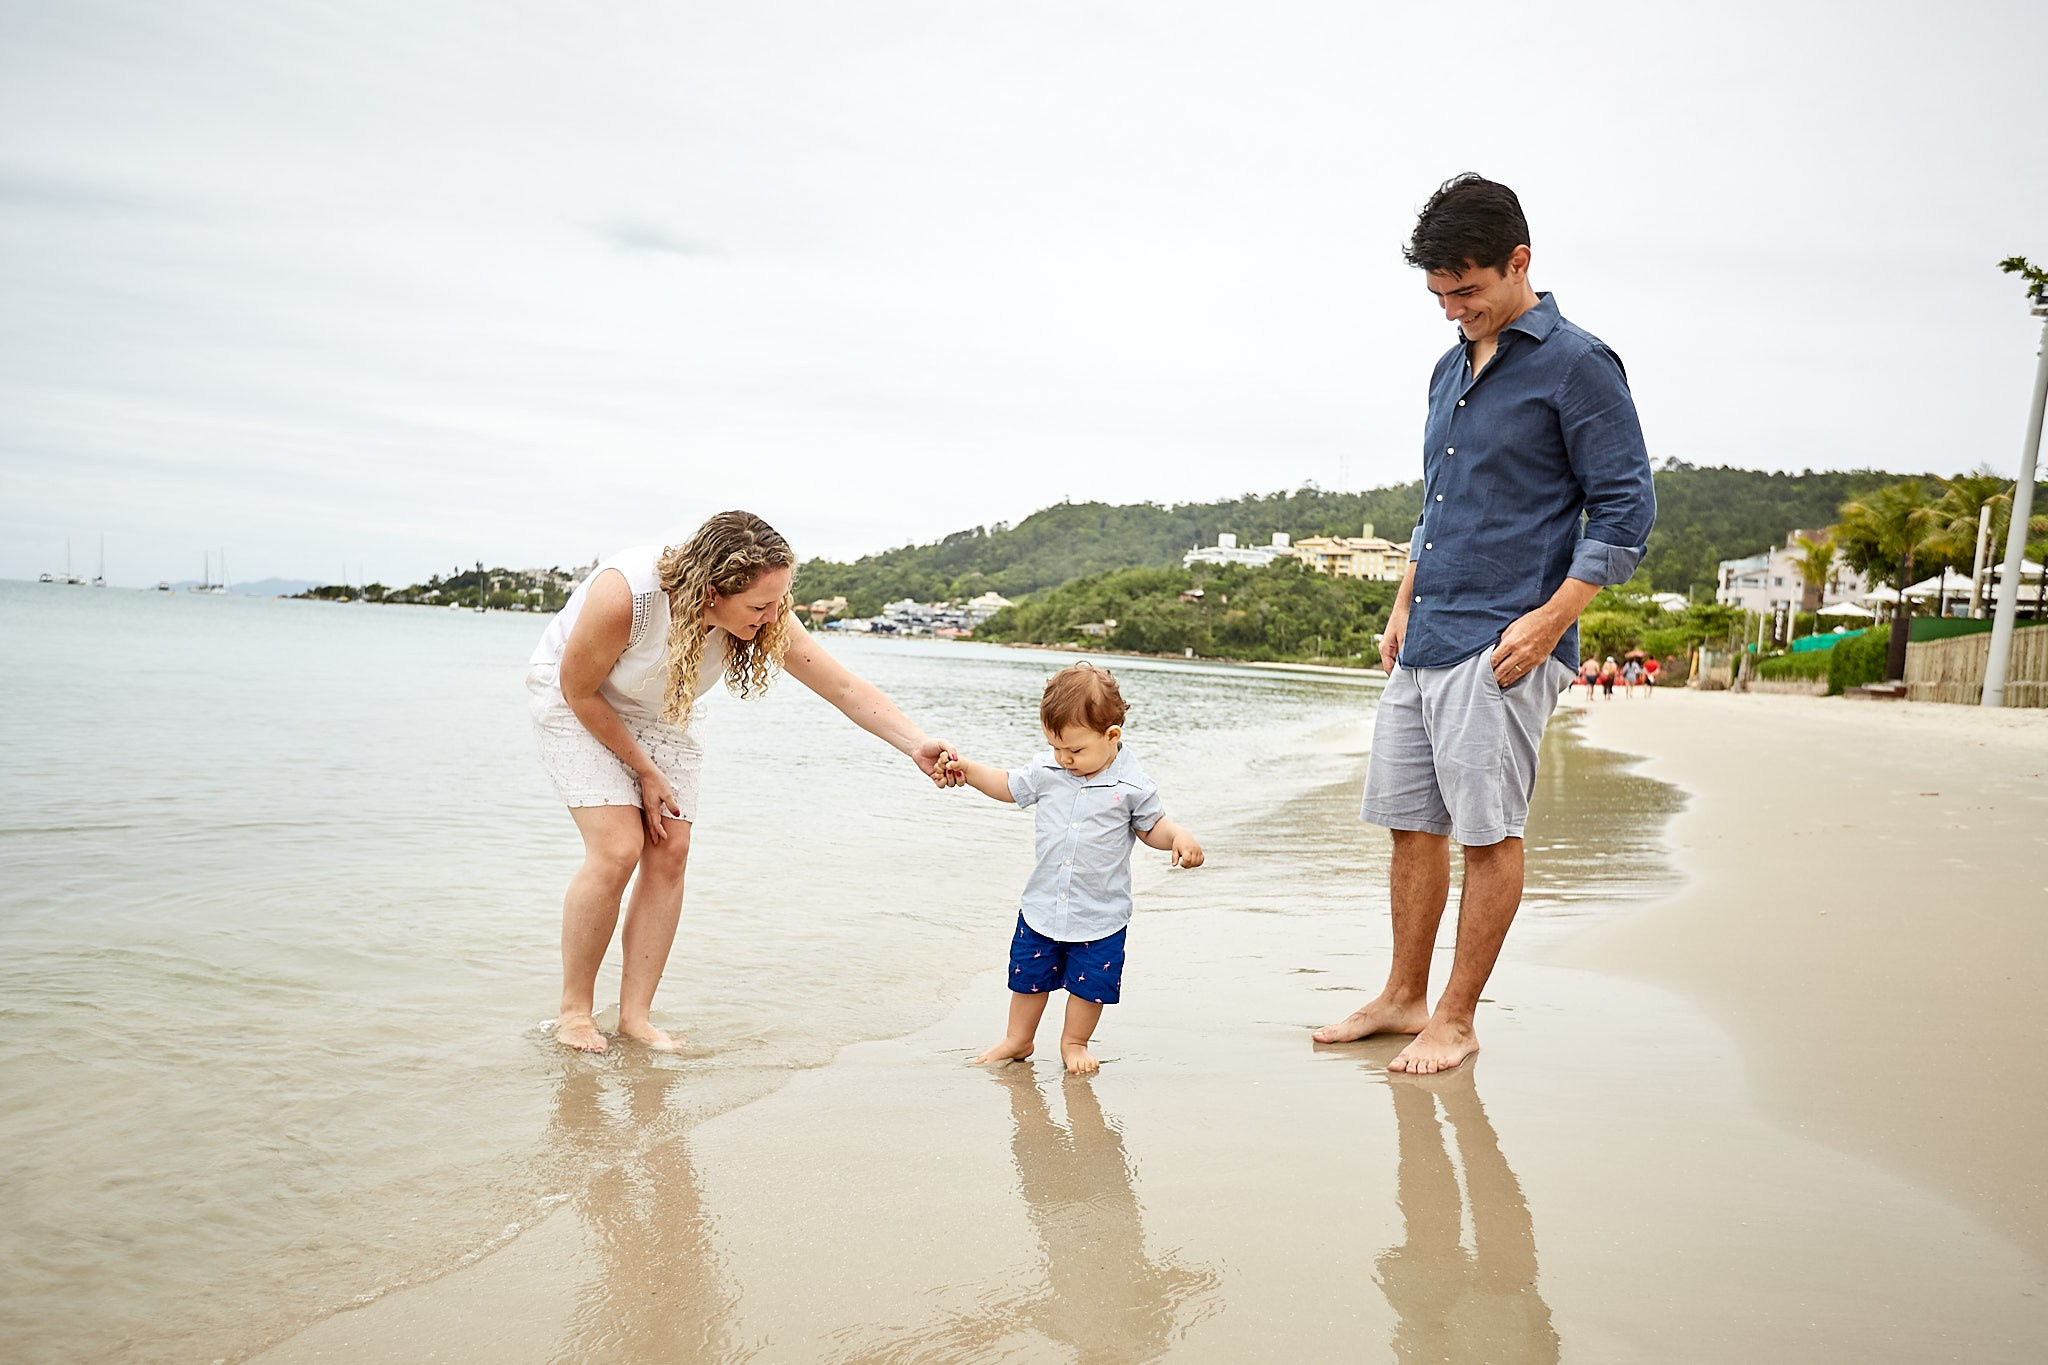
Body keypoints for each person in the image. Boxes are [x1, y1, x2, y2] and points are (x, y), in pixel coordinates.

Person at [1312, 174, 1655, 1073]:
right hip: (1426, 633)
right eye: (1438, 295)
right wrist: (1400, 600)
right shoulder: (1449, 364)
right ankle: (1402, 995)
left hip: (1505, 640)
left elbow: (1624, 512)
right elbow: (1439, 501)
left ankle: (1457, 1018)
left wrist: (1549, 622)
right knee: (1410, 824)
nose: (1452, 309)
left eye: (1466, 290)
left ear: (1520, 262)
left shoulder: (1580, 363)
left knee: (1487, 831)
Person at [526, 510, 961, 1053]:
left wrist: (915, 743)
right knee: (618, 848)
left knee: (670, 847)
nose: (773, 615)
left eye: (779, 601)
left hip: (663, 707)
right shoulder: (626, 597)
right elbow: (579, 690)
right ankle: (575, 1014)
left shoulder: (767, 615)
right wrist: (644, 769)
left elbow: (844, 687)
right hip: (580, 699)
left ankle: (636, 1020)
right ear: (711, 593)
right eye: (760, 606)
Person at [940, 664, 1204, 1075]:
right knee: (1028, 978)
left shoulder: (1133, 785)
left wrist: (1179, 837)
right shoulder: (1048, 770)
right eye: (1055, 747)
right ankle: (1018, 1038)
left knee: (1089, 988)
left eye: (1075, 751)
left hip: (1100, 913)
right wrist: (970, 771)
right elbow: (1008, 786)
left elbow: (1152, 827)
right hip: (1044, 904)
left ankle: (1074, 1042)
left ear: (1111, 735)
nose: (1064, 759)